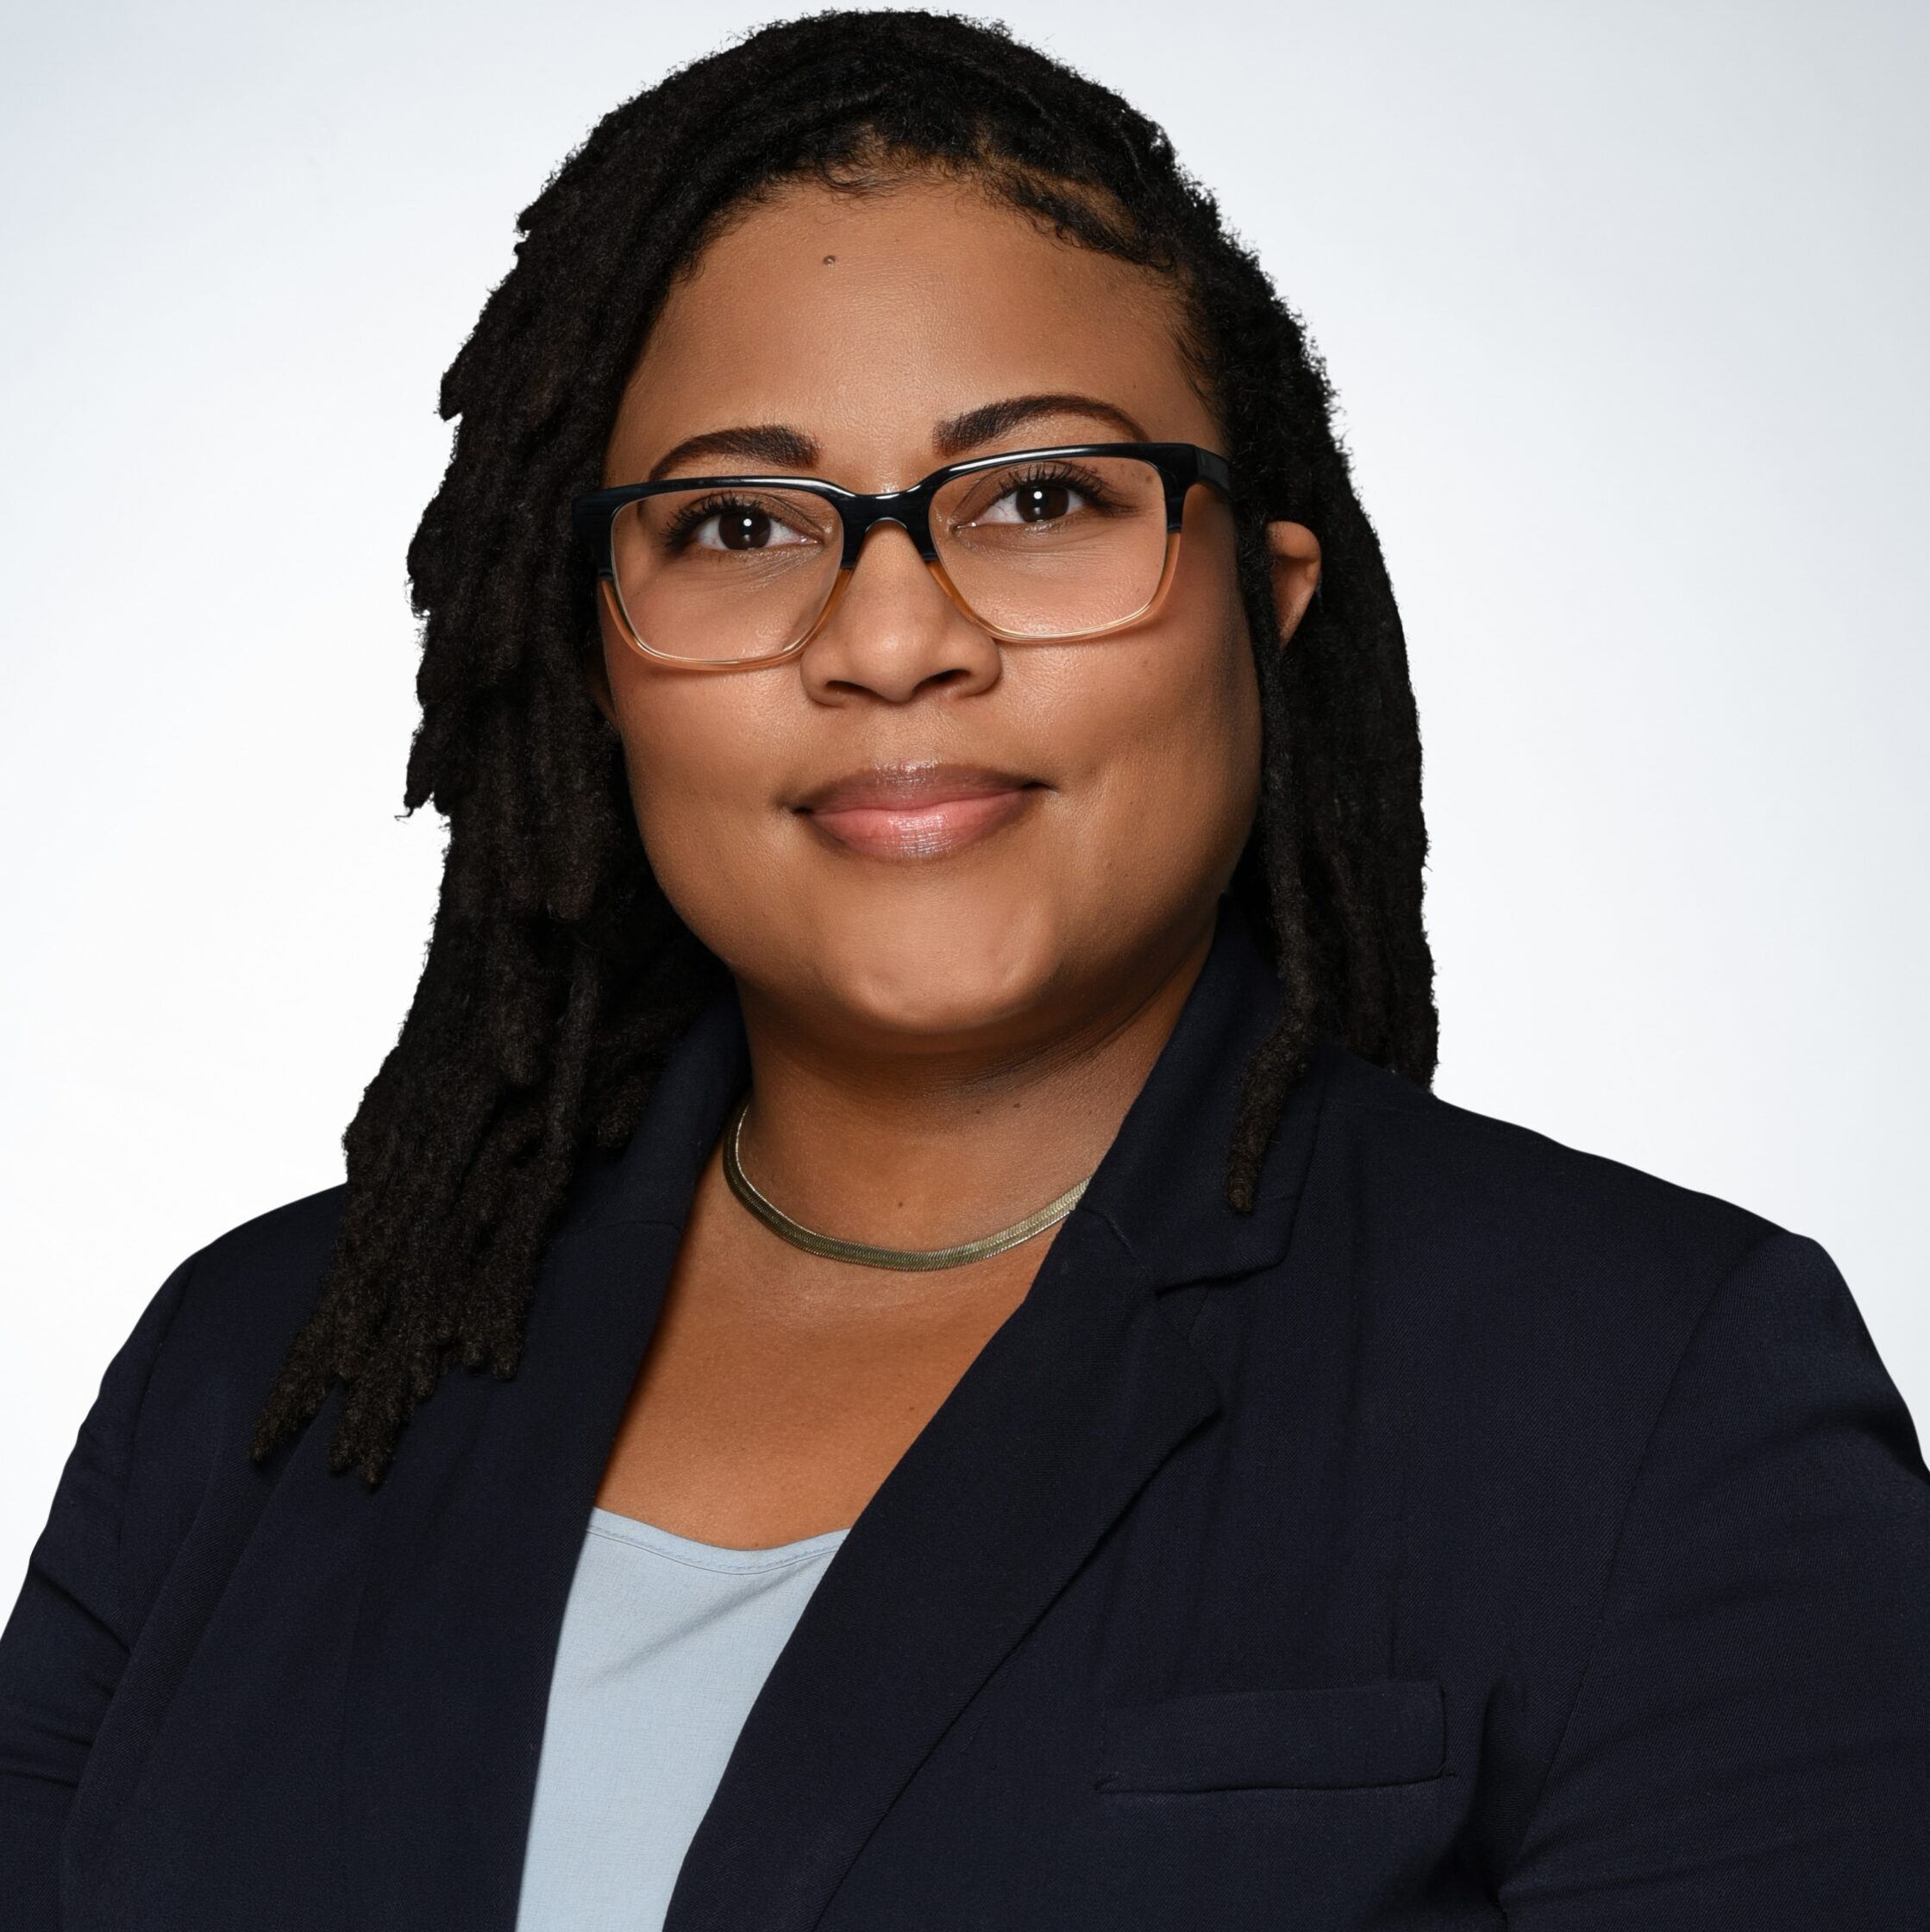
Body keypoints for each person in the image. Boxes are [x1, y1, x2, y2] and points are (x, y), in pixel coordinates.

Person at [3, 11, 1927, 1929]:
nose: (893, 636)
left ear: (1267, 603)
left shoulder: (1645, 1393)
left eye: (1039, 499)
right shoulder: (252, 1375)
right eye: (741, 524)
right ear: (589, 654)